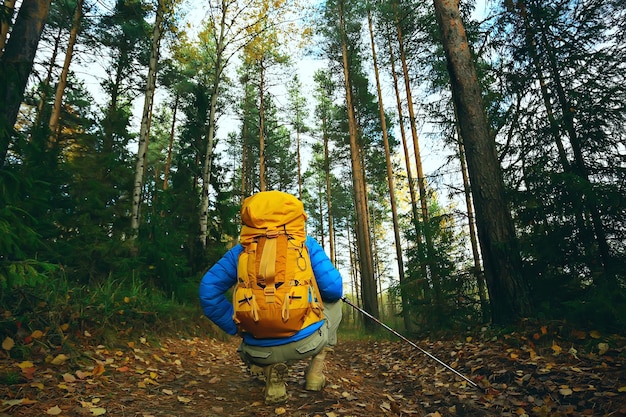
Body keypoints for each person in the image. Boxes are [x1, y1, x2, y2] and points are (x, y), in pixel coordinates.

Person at [198, 191, 343, 405]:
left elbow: (208, 291)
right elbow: (333, 289)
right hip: (307, 343)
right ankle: (315, 371)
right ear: (295, 216)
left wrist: (237, 325)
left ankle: (271, 372)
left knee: (260, 335)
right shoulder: (306, 244)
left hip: (257, 349)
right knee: (334, 301)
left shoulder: (240, 251)